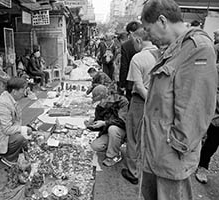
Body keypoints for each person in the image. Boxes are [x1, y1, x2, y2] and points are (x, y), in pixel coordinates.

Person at [140, 0, 218, 199]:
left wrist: (175, 148)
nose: (148, 37)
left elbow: (196, 110)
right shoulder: (174, 49)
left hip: (170, 157)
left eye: (149, 30)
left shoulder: (197, 49)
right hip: (156, 152)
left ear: (162, 21)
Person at [121, 28, 159, 185]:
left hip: (141, 101)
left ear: (138, 40)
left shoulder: (138, 58)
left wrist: (149, 101)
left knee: (133, 136)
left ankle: (133, 172)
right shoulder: (163, 54)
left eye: (133, 41)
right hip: (160, 101)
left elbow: (139, 86)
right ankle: (150, 170)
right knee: (152, 136)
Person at [0, 77, 32, 167]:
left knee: (24, 138)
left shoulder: (9, 97)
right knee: (20, 138)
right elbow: (7, 130)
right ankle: (9, 158)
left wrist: (22, 130)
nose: (24, 92)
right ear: (14, 91)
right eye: (23, 90)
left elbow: (16, 119)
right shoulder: (4, 103)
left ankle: (2, 152)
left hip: (1, 132)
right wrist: (22, 129)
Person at [194, 29, 219, 184]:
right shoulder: (216, 68)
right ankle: (202, 165)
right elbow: (209, 88)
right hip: (213, 112)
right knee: (209, 139)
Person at [86, 85, 129, 167]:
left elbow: (123, 121)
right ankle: (113, 146)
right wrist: (91, 125)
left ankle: (113, 156)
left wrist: (104, 123)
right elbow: (99, 124)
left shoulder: (121, 101)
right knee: (95, 146)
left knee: (113, 129)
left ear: (106, 96)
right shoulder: (100, 106)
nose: (99, 104)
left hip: (123, 130)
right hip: (109, 132)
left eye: (100, 101)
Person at [119, 21, 142, 101]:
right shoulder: (149, 43)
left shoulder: (126, 46)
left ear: (130, 32)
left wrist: (122, 84)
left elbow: (124, 66)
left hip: (131, 82)